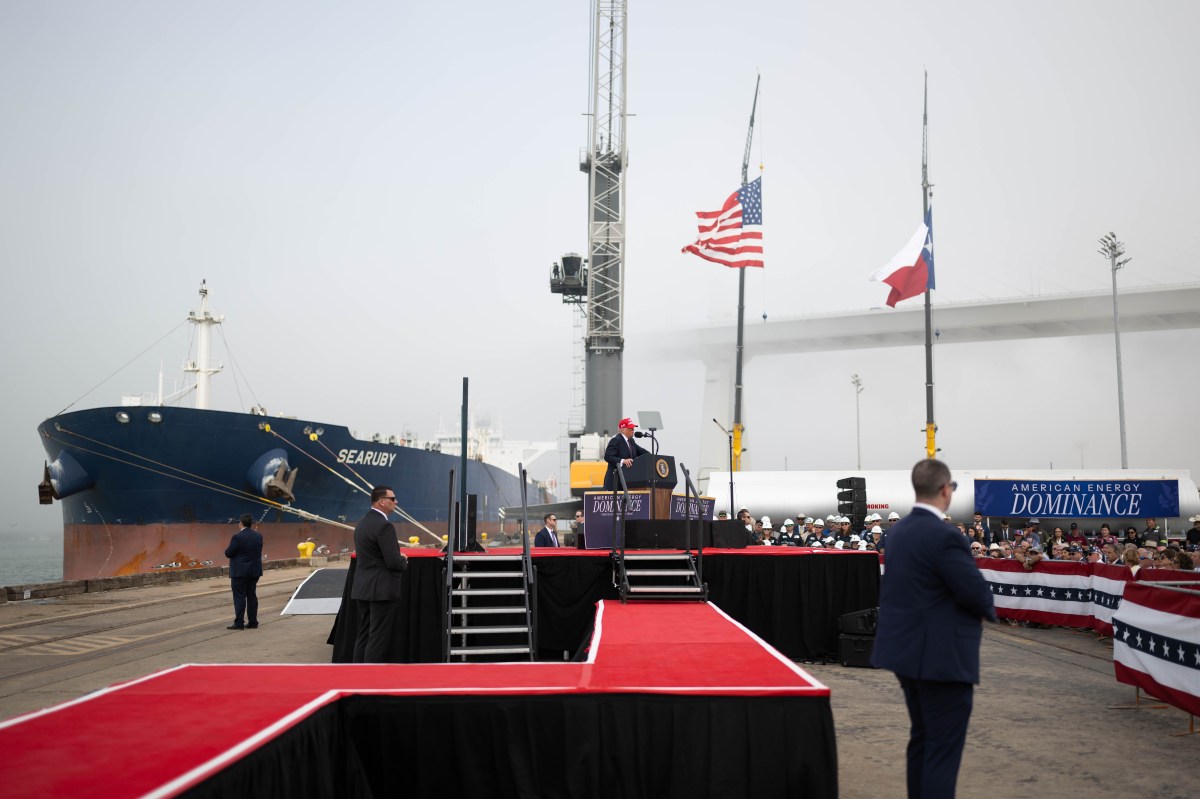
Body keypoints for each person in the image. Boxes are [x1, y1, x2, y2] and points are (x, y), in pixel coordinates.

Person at [872, 459, 996, 799]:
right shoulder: (944, 535)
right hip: (941, 658)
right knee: (942, 751)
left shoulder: (899, 533)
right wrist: (987, 609)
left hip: (907, 654)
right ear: (945, 490)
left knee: (923, 740)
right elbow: (975, 593)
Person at [351, 485, 409, 663]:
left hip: (363, 587)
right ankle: (371, 679)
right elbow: (392, 562)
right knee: (377, 638)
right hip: (381, 590)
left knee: (363, 635)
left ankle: (357, 674)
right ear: (382, 502)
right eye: (393, 499)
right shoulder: (385, 526)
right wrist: (404, 560)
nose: (396, 502)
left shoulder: (361, 523)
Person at [224, 513, 263, 630]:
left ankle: (239, 622)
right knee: (251, 595)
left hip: (240, 572)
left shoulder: (237, 537)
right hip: (254, 571)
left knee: (239, 596)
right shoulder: (258, 536)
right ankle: (253, 622)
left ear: (240, 523)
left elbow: (228, 553)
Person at [603, 417, 649, 490]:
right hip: (615, 482)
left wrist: (652, 457)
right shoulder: (616, 440)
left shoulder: (631, 441)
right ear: (623, 429)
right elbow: (608, 456)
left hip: (627, 482)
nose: (633, 431)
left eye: (633, 429)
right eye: (630, 429)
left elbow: (642, 451)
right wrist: (623, 461)